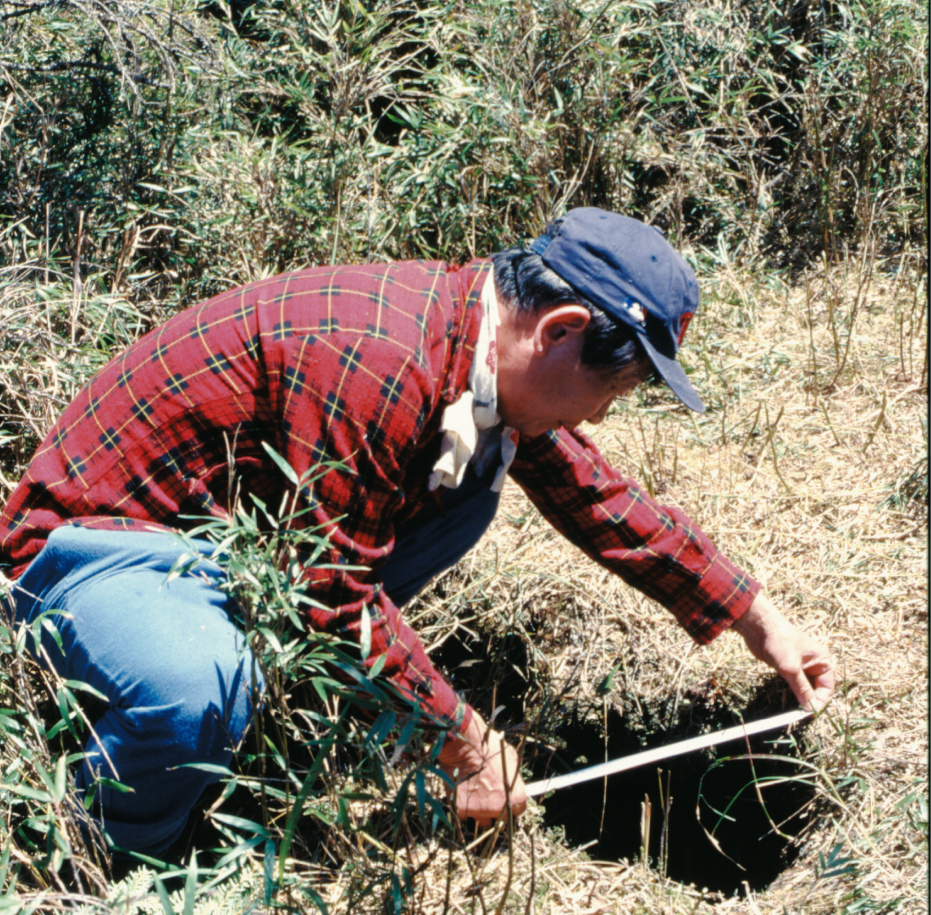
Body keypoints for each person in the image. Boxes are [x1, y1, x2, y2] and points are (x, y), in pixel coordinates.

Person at [0, 208, 835, 863]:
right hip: (90, 549)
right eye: (609, 386)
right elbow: (330, 592)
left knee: (471, 487)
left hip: (218, 543)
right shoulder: (373, 360)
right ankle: (116, 865)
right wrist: (463, 744)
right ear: (559, 330)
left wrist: (757, 618)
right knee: (197, 687)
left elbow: (594, 494)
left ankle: (262, 700)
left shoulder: (470, 343)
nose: (601, 413)